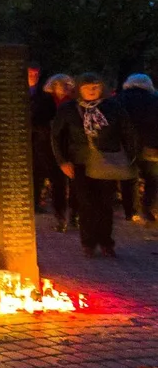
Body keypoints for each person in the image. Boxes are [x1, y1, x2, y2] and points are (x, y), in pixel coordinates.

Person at [52, 73, 141, 258]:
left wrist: (131, 157)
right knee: (86, 204)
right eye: (87, 87)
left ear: (102, 89)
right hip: (80, 162)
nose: (92, 91)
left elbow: (127, 131)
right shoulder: (69, 109)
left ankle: (106, 242)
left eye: (96, 87)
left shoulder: (113, 107)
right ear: (79, 89)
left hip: (106, 161)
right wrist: (62, 161)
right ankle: (89, 243)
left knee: (105, 204)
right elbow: (57, 136)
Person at [37, 74, 77, 232]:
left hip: (72, 146)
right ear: (52, 86)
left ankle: (75, 215)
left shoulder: (74, 103)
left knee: (75, 183)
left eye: (67, 84)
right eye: (60, 84)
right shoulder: (44, 101)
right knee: (57, 183)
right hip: (50, 147)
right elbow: (37, 121)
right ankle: (60, 216)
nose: (64, 87)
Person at [118, 74, 158, 222]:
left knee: (129, 179)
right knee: (152, 179)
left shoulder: (120, 99)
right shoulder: (155, 99)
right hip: (150, 146)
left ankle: (131, 211)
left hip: (126, 146)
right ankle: (148, 209)